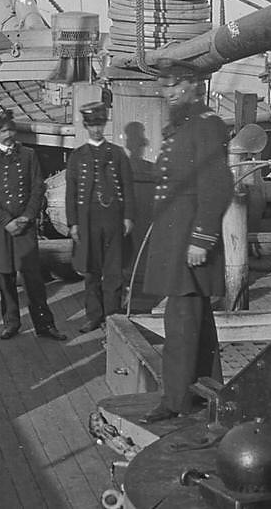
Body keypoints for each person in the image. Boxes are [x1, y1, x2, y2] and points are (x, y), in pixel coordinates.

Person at [142, 58, 234, 423]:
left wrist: (202, 238)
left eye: (175, 86)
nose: (169, 93)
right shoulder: (181, 128)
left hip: (190, 242)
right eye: (165, 87)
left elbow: (217, 184)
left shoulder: (205, 126)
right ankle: (210, 389)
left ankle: (176, 400)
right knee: (197, 320)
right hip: (175, 240)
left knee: (180, 322)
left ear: (194, 86)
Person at [0, 108, 66, 341]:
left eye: (11, 129)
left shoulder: (28, 155)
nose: (8, 134)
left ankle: (45, 325)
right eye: (3, 130)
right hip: (0, 228)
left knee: (33, 279)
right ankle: (11, 323)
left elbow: (38, 188)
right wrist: (7, 221)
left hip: (25, 227)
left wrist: (27, 216)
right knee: (4, 278)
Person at [65, 101, 136, 333]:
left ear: (105, 124)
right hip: (88, 220)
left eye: (100, 124)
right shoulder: (77, 157)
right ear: (86, 126)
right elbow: (71, 192)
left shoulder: (117, 154)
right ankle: (94, 316)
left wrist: (128, 217)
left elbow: (127, 187)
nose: (96, 129)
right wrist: (73, 223)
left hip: (113, 218)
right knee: (91, 270)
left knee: (113, 270)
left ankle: (112, 317)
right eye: (92, 125)